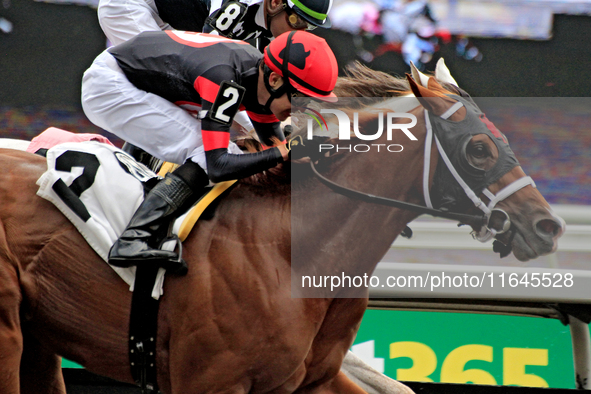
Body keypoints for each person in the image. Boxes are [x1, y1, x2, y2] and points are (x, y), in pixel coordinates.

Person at [81, 30, 338, 274]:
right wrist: (286, 151)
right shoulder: (225, 79)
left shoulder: (259, 79)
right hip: (110, 85)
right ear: (274, 80)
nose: (301, 109)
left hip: (139, 78)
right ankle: (134, 238)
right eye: (300, 98)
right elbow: (218, 165)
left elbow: (275, 147)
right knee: (205, 152)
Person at [98, 0, 332, 48]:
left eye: (309, 27)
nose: (300, 33)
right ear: (275, 3)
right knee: (167, 85)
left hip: (165, 18)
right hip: (129, 6)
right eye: (296, 21)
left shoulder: (272, 30)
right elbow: (203, 62)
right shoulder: (238, 8)